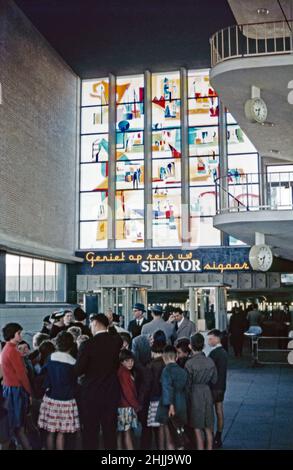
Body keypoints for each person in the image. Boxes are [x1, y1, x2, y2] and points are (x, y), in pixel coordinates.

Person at [74, 313, 122, 450]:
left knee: (90, 431)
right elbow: (117, 338)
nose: (90, 327)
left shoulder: (87, 345)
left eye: (91, 324)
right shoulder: (115, 342)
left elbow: (78, 370)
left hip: (91, 393)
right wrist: (110, 325)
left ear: (94, 323)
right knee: (110, 431)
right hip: (111, 392)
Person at [38, 331, 80, 450]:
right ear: (72, 345)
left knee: (50, 432)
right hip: (67, 400)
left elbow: (43, 375)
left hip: (51, 398)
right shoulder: (73, 362)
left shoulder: (50, 357)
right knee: (61, 433)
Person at [1, 323, 32, 450]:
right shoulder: (13, 351)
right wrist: (29, 392)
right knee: (17, 426)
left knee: (11, 426)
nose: (21, 335)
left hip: (9, 389)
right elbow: (21, 375)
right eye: (19, 333)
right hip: (16, 391)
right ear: (12, 334)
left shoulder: (6, 348)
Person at [185, 333, 217, 450]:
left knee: (197, 428)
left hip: (195, 393)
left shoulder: (189, 363)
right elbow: (214, 379)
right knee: (208, 426)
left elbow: (187, 384)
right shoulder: (210, 361)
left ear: (190, 346)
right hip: (207, 392)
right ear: (203, 345)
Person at [156, 346, 188, 450]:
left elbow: (167, 388)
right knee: (179, 431)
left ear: (164, 358)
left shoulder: (166, 371)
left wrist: (170, 405)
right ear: (176, 357)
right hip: (182, 402)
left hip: (169, 405)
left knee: (170, 435)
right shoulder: (183, 371)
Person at [207, 329, 228, 449]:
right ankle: (218, 437)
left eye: (210, 339)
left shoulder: (214, 353)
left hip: (212, 387)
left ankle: (211, 435)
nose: (209, 341)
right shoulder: (224, 352)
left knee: (210, 413)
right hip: (221, 386)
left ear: (216, 338)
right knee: (219, 410)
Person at [146, 330, 167, 449]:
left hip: (154, 398)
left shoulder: (151, 365)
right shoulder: (168, 361)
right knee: (166, 427)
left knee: (158, 427)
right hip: (167, 397)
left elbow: (149, 383)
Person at [117, 350, 140, 450]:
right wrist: (136, 406)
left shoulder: (120, 371)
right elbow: (128, 392)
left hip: (119, 407)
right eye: (127, 361)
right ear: (121, 361)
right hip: (126, 407)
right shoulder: (125, 373)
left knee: (119, 434)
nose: (130, 363)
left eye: (132, 360)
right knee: (127, 434)